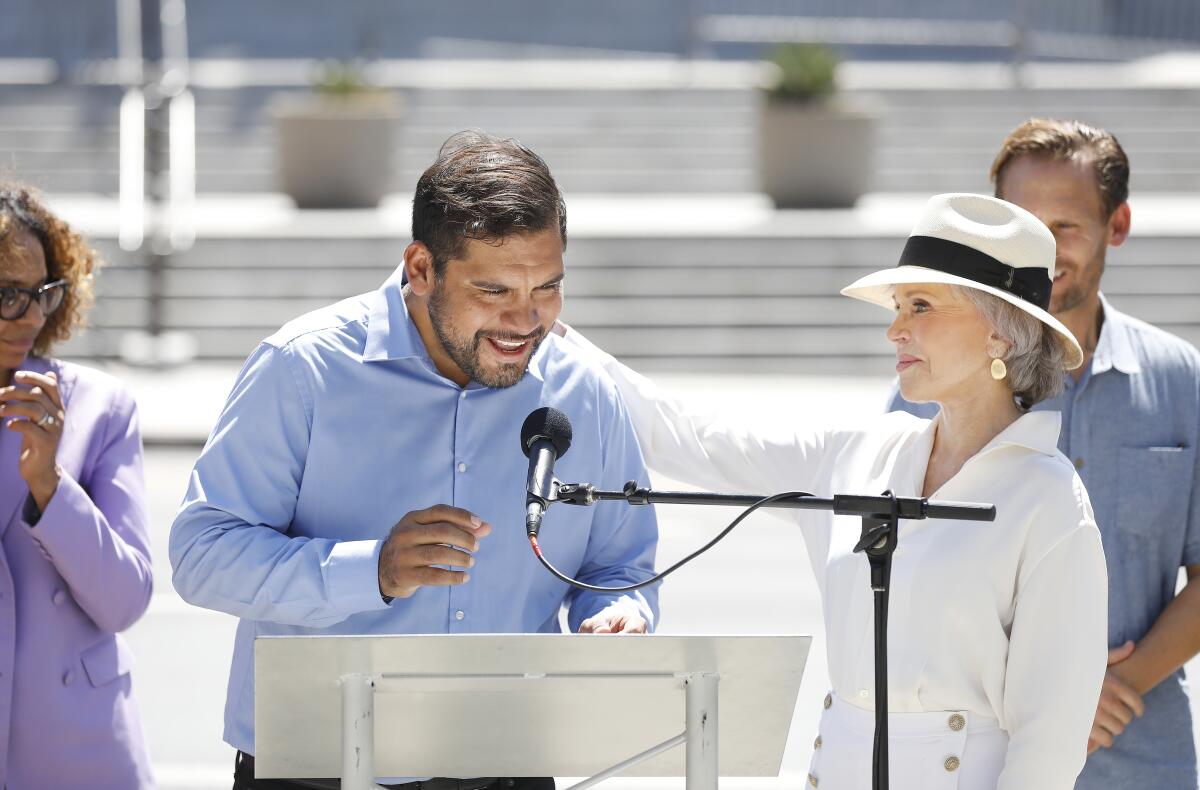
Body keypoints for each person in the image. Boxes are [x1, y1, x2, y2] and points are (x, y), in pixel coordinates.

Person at [558, 193, 1107, 789]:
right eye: (898, 307)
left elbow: (1049, 740)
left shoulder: (1049, 498)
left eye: (920, 306)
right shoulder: (857, 451)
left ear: (1000, 334)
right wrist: (550, 337)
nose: (895, 329)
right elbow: (691, 439)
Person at [169, 131, 659, 790]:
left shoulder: (586, 391)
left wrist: (623, 611)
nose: (526, 319)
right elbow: (203, 554)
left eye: (546, 287)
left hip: (510, 767)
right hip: (316, 767)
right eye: (494, 292)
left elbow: (620, 564)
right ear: (422, 268)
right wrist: (369, 570)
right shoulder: (302, 369)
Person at [888, 119, 1200, 789]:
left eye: (1066, 227)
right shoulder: (931, 382)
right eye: (1023, 224)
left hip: (1142, 755)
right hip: (977, 759)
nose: (1043, 249)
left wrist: (1105, 690)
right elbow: (902, 575)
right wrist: (1050, 702)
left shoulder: (1183, 382)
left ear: (1117, 226)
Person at [0, 185, 154, 788]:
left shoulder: (98, 406)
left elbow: (124, 600)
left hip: (78, 751)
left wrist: (50, 485)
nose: (33, 317)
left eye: (43, 293)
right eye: (10, 295)